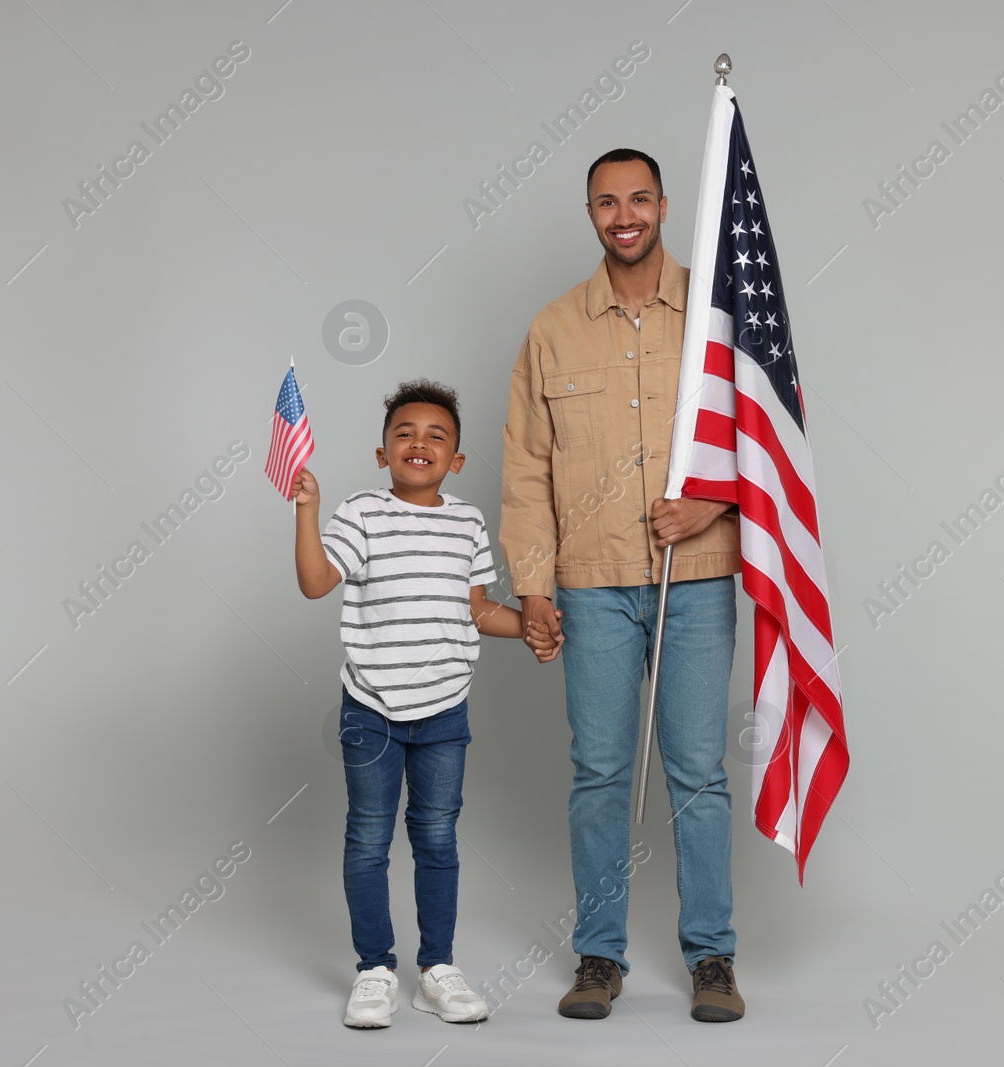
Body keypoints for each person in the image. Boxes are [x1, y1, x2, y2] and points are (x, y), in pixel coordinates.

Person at [500, 149, 745, 1022]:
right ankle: (599, 954)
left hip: (698, 579)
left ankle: (712, 954)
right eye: (607, 201)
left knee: (699, 773)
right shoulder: (553, 328)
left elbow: (761, 437)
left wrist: (712, 505)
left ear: (666, 206)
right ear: (591, 214)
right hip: (592, 586)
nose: (624, 213)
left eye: (639, 197)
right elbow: (527, 469)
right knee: (599, 771)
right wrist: (532, 586)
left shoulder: (719, 319)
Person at [295, 379, 558, 1028]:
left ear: (456, 460)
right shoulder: (361, 512)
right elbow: (314, 582)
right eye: (405, 433)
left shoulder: (467, 522)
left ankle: (436, 968)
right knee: (369, 839)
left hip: (444, 711)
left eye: (436, 435)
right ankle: (374, 968)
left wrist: (530, 625)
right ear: (383, 454)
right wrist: (308, 508)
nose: (420, 442)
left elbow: (476, 610)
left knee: (438, 837)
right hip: (372, 709)